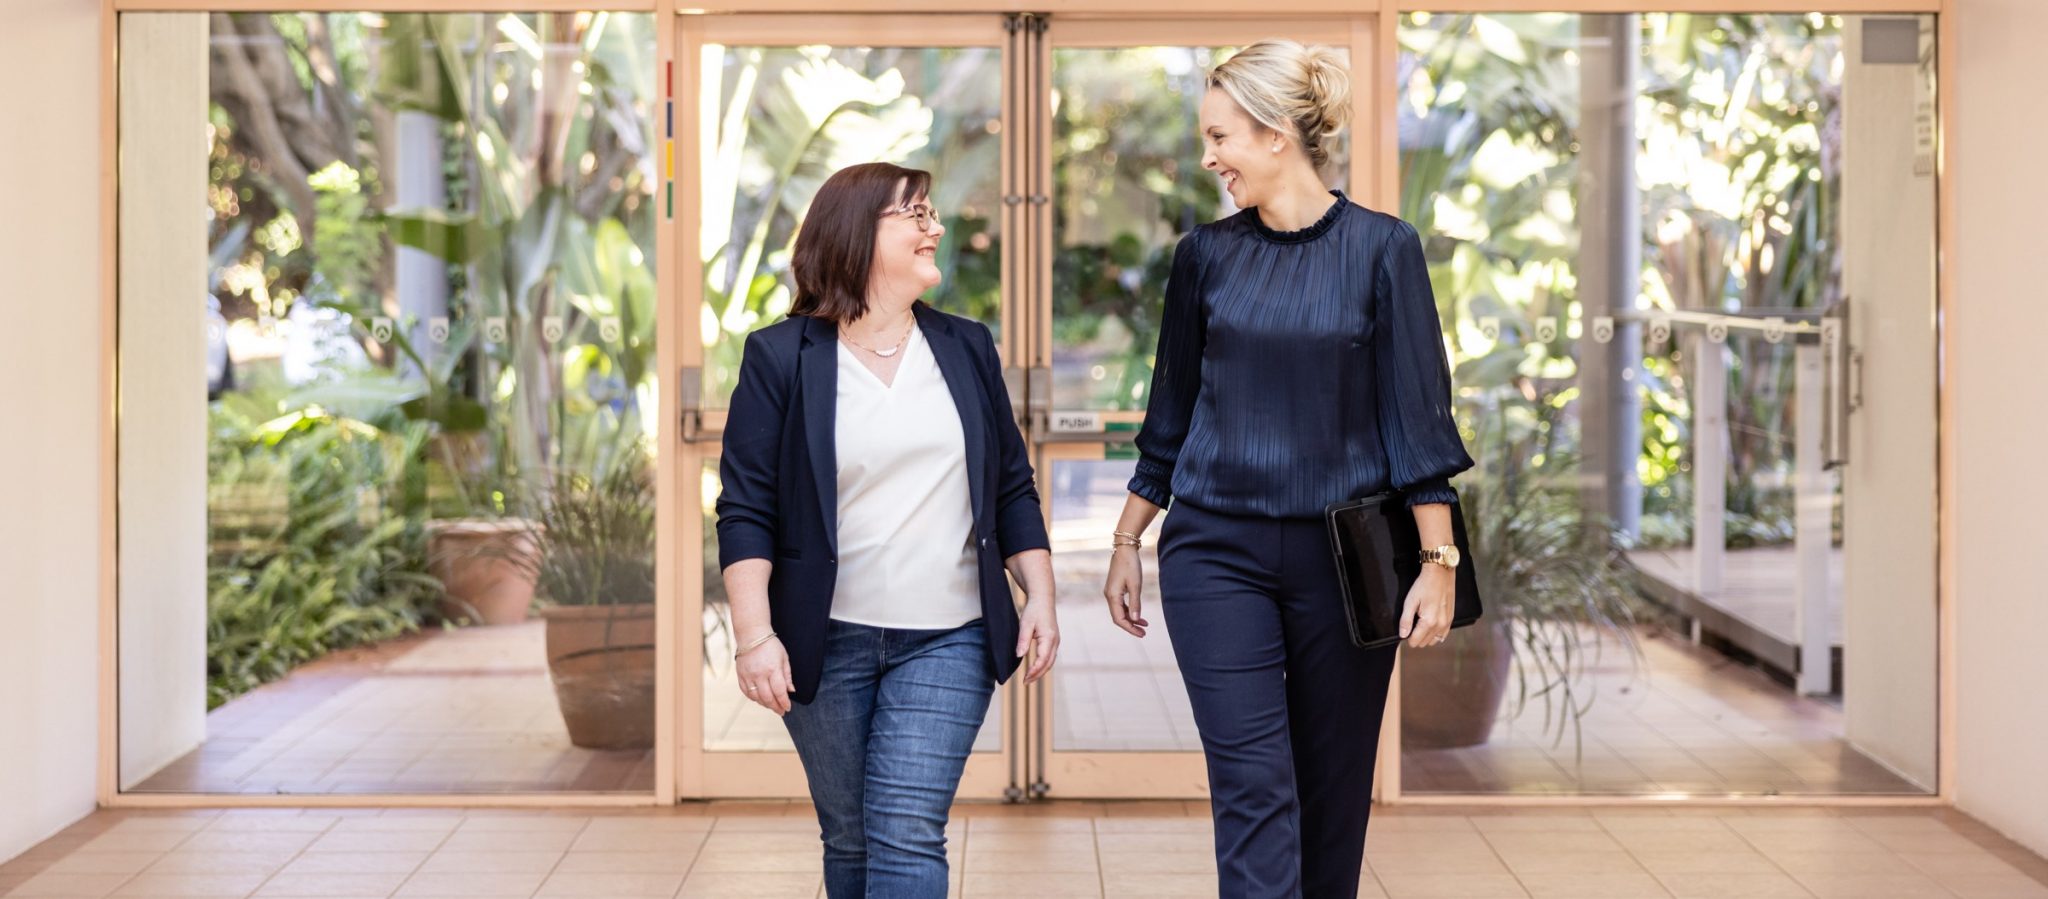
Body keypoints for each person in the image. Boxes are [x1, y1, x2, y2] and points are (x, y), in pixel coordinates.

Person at [1100, 41, 1474, 898]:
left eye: (1220, 137)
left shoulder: (1384, 249)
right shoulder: (1204, 256)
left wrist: (1439, 560)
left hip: (1347, 562)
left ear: (1276, 134)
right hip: (1214, 553)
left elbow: (1417, 423)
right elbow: (1171, 415)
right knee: (1253, 785)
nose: (1209, 158)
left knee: (1330, 795)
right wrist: (1127, 539)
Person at [716, 162, 1060, 899]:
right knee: (849, 837)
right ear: (855, 232)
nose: (937, 227)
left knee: (905, 828)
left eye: (932, 213)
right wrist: (753, 636)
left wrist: (1041, 594)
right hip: (824, 639)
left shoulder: (966, 346)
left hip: (950, 635)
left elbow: (1010, 484)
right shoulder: (780, 356)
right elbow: (746, 509)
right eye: (917, 214)